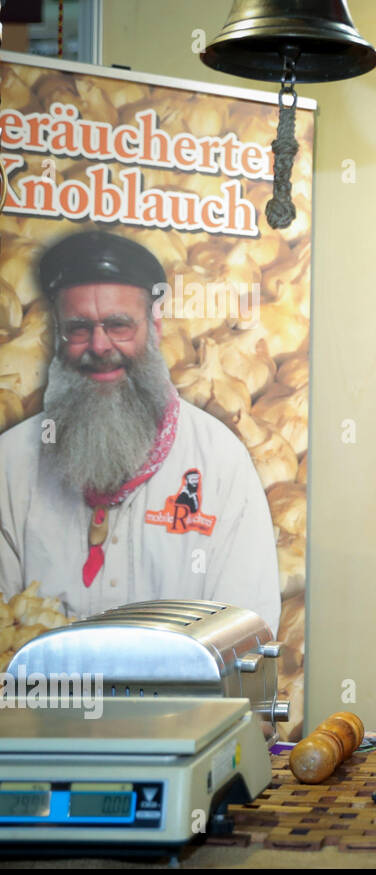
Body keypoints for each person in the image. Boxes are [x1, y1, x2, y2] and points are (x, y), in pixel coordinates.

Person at [0, 230, 281, 633]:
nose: (99, 346)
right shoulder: (11, 464)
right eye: (79, 327)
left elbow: (245, 641)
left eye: (119, 325)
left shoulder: (220, 462)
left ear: (155, 328)